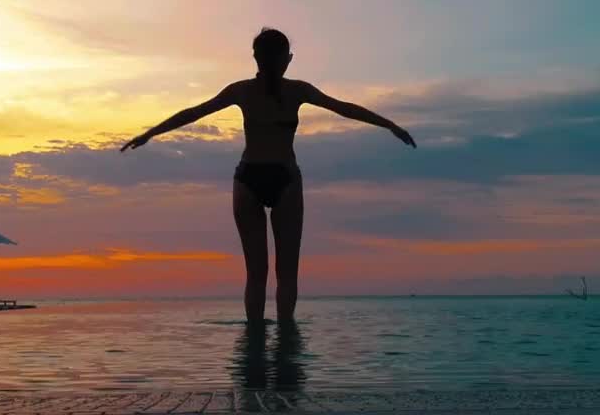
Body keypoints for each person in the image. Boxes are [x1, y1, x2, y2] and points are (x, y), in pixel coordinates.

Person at [121, 28, 415, 323]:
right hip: (278, 178)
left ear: (255, 58)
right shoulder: (286, 90)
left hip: (251, 178)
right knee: (284, 273)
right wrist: (390, 125)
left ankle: (257, 350)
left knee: (258, 274)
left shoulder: (250, 90)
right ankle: (283, 347)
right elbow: (344, 108)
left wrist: (150, 133)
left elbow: (194, 112)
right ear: (288, 59)